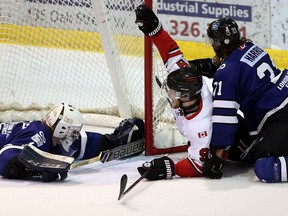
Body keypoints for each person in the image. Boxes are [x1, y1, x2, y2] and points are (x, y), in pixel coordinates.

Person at [202, 17, 288, 183]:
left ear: (219, 43)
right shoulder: (251, 47)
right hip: (283, 97)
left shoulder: (226, 74)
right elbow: (240, 67)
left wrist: (218, 156)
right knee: (247, 145)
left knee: (265, 167)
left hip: (280, 115)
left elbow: (224, 118)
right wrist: (212, 66)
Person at [134, 4, 214, 180]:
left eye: (171, 92)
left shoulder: (200, 127)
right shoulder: (184, 79)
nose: (168, 93)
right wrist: (154, 29)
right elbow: (171, 52)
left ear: (184, 97)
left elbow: (197, 167)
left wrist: (170, 168)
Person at [0, 103, 144, 182]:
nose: (74, 135)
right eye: (72, 131)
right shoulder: (40, 134)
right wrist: (39, 168)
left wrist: (114, 141)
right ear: (61, 129)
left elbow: (84, 143)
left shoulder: (53, 138)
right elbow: (7, 160)